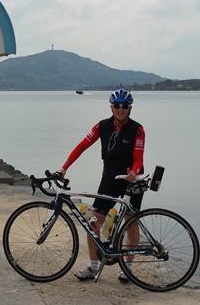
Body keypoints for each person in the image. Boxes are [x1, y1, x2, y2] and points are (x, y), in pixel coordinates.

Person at [56, 88, 145, 283]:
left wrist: (134, 172)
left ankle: (128, 268)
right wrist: (64, 168)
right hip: (110, 178)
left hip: (132, 178)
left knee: (130, 222)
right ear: (111, 107)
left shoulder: (137, 129)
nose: (120, 109)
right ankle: (93, 266)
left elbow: (139, 157)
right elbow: (82, 146)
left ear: (130, 108)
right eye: (117, 105)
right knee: (93, 222)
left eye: (124, 106)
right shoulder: (101, 126)